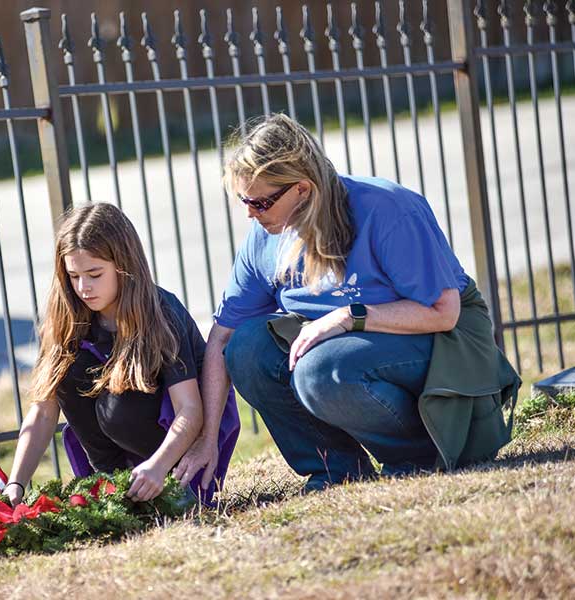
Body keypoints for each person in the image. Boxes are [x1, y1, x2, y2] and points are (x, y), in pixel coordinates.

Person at [176, 114, 519, 492]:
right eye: (244, 200)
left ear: (302, 189)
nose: (249, 214)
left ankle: (422, 456)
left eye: (260, 202)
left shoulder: (387, 209)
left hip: (441, 341)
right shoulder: (264, 238)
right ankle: (336, 469)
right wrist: (207, 439)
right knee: (247, 348)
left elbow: (443, 312)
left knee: (320, 371)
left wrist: (347, 316)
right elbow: (222, 340)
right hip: (355, 346)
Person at [3, 203, 239, 505]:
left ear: (123, 265)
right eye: (74, 276)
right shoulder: (67, 316)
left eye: (94, 274)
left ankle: (168, 492)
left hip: (181, 449)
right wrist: (16, 484)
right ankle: (114, 490)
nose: (83, 287)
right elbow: (43, 411)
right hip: (117, 444)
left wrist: (158, 468)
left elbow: (190, 410)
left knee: (117, 407)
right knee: (67, 373)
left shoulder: (160, 312)